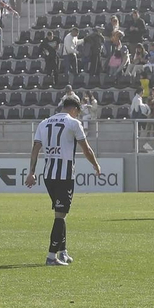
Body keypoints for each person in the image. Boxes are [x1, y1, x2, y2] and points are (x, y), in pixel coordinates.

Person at [26, 96, 102, 266]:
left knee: (60, 213)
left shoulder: (43, 123)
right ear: (74, 109)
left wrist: (31, 172)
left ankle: (63, 252)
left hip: (48, 175)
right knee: (60, 215)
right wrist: (96, 165)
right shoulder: (73, 123)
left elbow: (35, 149)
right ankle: (51, 257)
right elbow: (86, 148)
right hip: (64, 175)